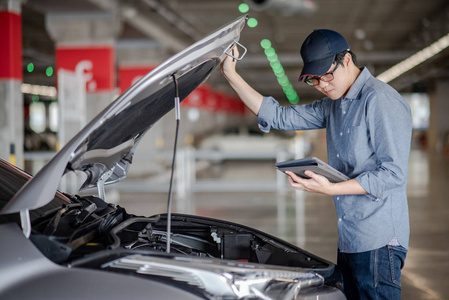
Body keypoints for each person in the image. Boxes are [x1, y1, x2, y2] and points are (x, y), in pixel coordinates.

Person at [221, 29, 412, 300]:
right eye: (314, 80)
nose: (322, 84)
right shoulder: (334, 105)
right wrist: (231, 74)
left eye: (326, 75)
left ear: (346, 59)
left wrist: (331, 189)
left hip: (379, 240)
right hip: (350, 235)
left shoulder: (379, 99)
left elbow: (393, 174)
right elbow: (279, 116)